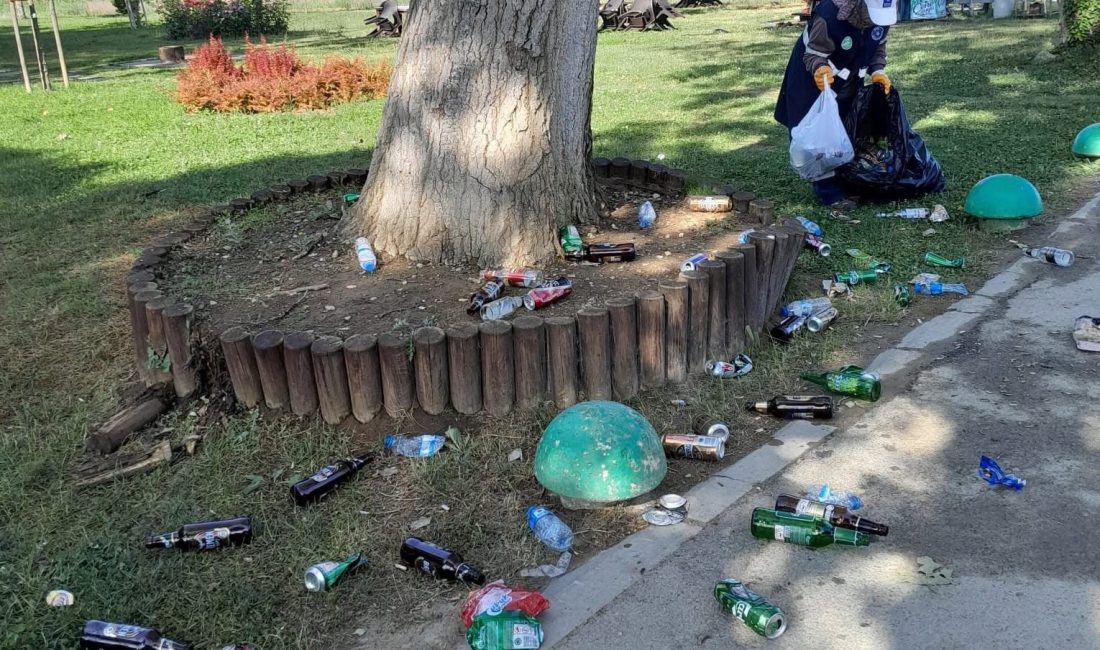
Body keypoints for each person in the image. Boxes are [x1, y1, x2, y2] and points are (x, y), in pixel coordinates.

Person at [774, 0, 897, 206]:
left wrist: (877, 71)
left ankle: (845, 175)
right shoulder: (829, 14)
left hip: (848, 78)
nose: (873, 22)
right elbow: (813, 53)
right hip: (813, 77)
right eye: (871, 14)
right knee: (817, 131)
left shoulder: (881, 17)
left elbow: (878, 45)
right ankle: (827, 189)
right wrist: (820, 68)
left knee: (843, 125)